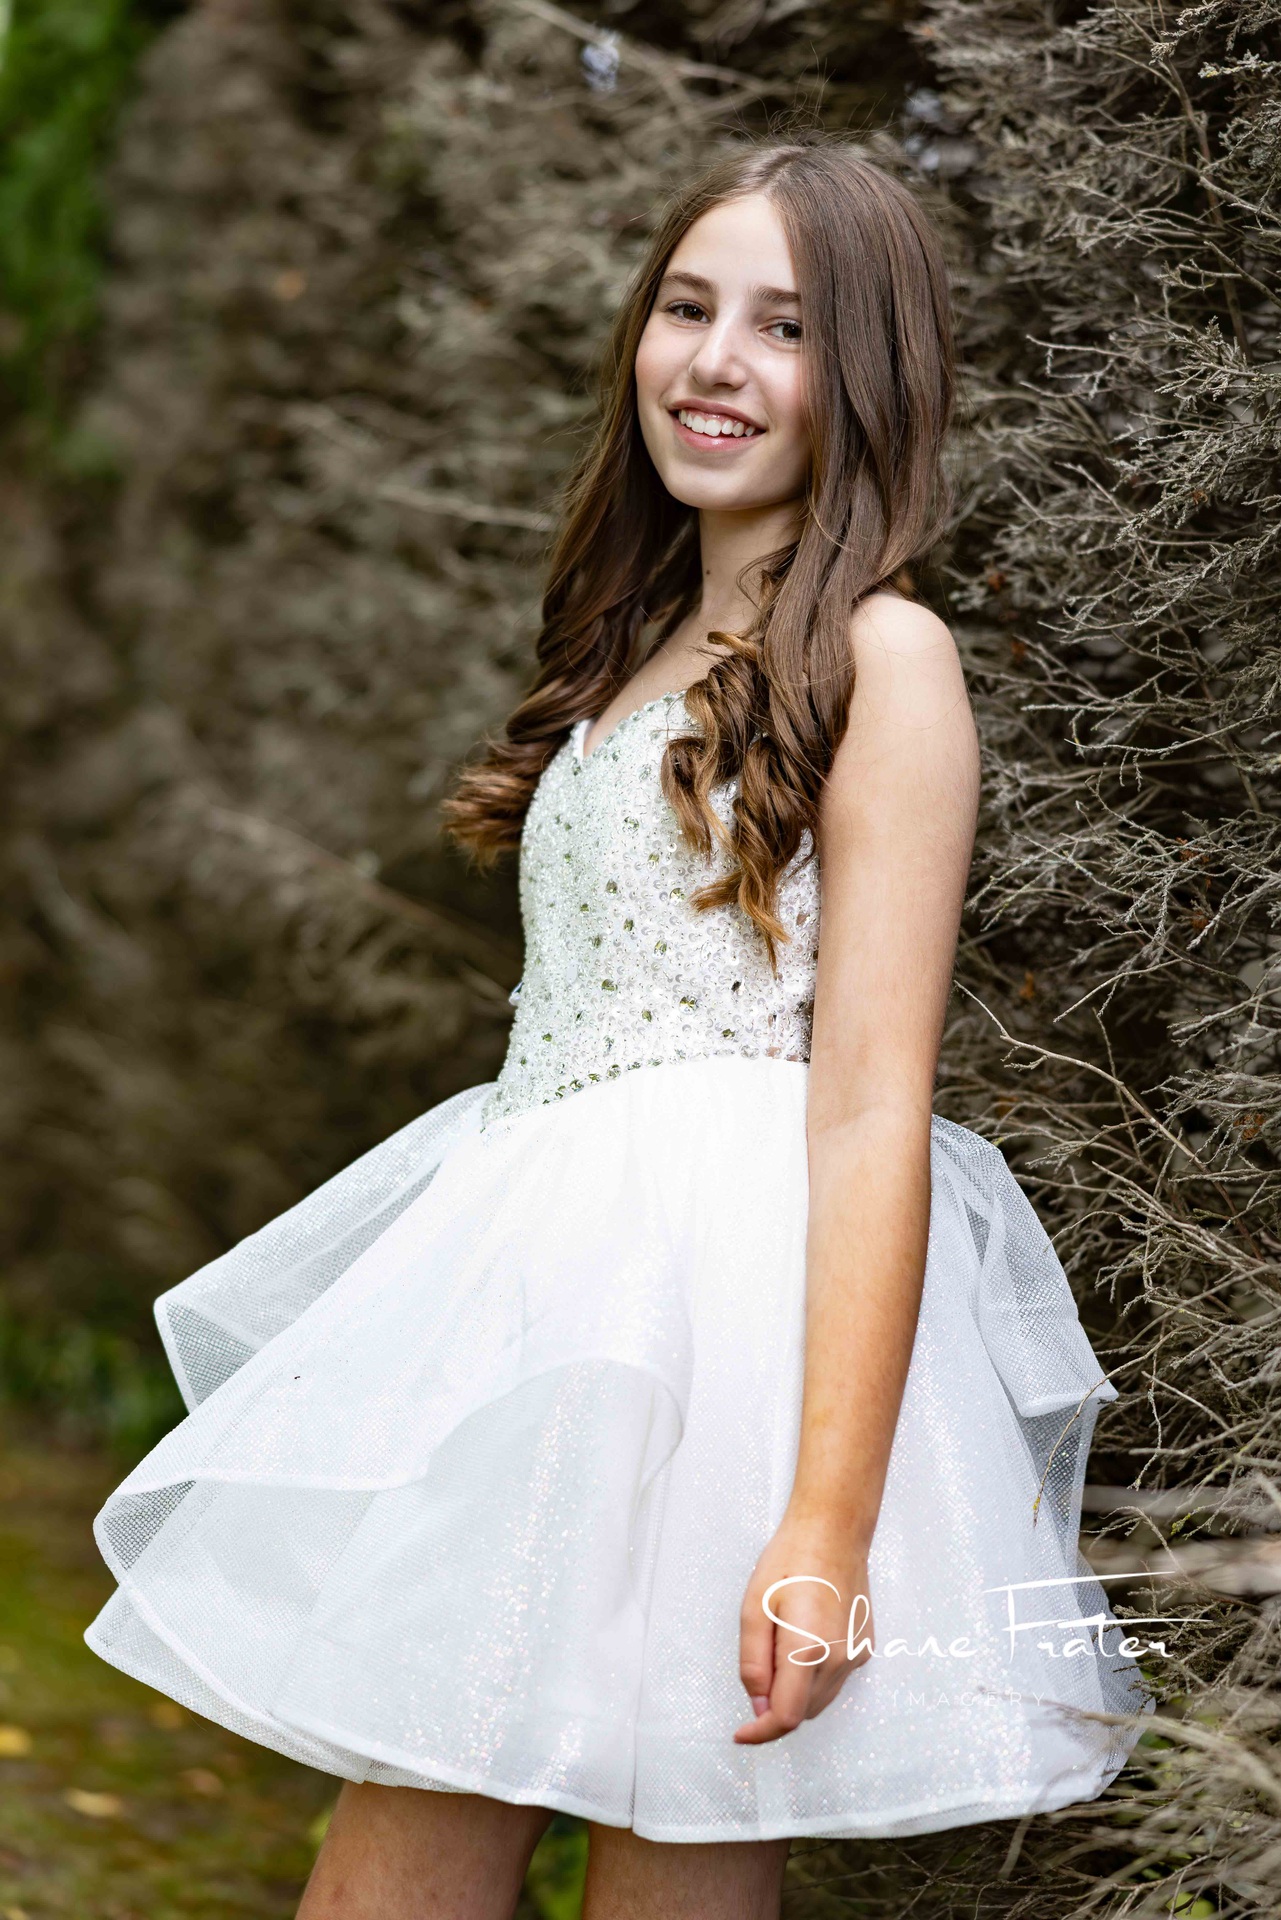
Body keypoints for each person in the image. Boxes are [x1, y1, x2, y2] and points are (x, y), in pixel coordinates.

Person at [83, 142, 1150, 1920]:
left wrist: (824, 1520)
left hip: (725, 1331)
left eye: (784, 327)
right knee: (407, 1830)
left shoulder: (884, 659)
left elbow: (869, 1104)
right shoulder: (638, 644)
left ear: (870, 372)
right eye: (686, 307)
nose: (714, 361)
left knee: (679, 1850)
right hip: (539, 1303)